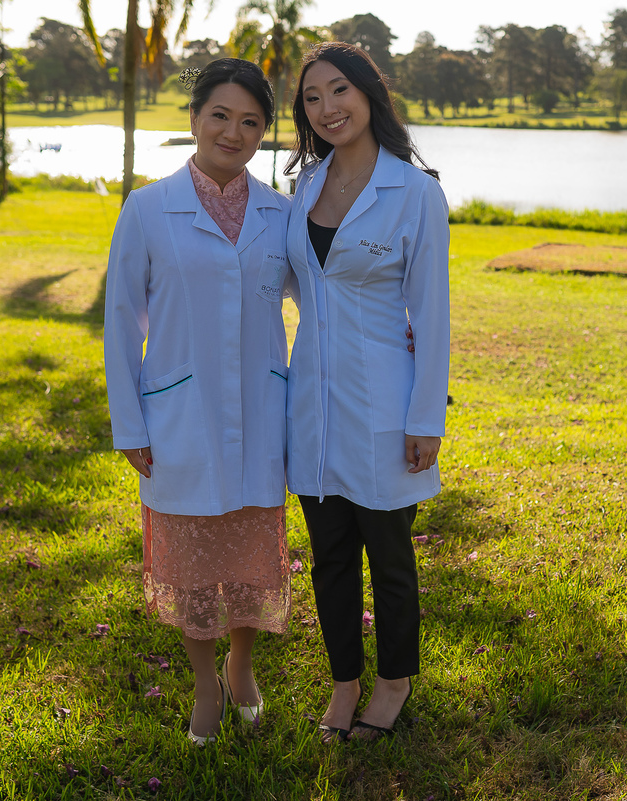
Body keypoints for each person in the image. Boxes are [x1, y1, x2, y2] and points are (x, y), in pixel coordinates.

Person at [103, 59, 293, 746]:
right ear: (193, 119)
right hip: (177, 416)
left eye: (250, 122)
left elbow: (329, 301)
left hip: (263, 415)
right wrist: (129, 421)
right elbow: (122, 320)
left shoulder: (282, 214)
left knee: (247, 559)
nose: (233, 132)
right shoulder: (148, 209)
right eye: (220, 115)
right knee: (189, 566)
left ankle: (243, 667)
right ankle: (206, 683)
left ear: (264, 133)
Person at [283, 42, 450, 743]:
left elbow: (432, 314)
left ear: (369, 94)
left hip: (386, 402)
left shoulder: (414, 193)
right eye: (312, 98)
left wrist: (425, 416)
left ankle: (394, 681)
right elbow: (293, 281)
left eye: (339, 90)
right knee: (328, 557)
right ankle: (345, 681)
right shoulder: (304, 186)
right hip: (311, 407)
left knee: (389, 556)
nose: (327, 108)